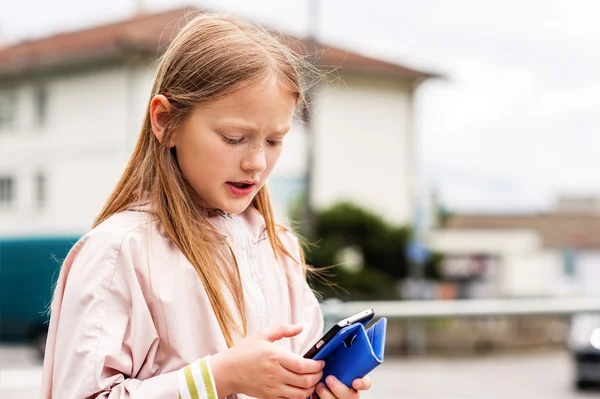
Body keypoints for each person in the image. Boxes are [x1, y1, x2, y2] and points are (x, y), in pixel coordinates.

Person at [40, 13, 373, 399]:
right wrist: (217, 378)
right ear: (165, 121)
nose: (256, 163)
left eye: (274, 141)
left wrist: (318, 392)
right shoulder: (118, 252)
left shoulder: (280, 247)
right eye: (234, 138)